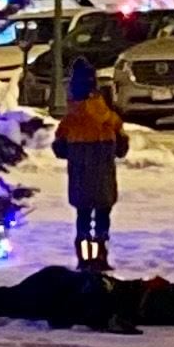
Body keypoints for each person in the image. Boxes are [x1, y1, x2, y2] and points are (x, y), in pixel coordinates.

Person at [55, 59, 127, 267]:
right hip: (104, 177)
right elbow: (122, 148)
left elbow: (59, 149)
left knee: (83, 216)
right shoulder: (109, 117)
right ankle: (101, 255)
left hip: (79, 178)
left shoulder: (70, 120)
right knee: (103, 215)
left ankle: (84, 258)